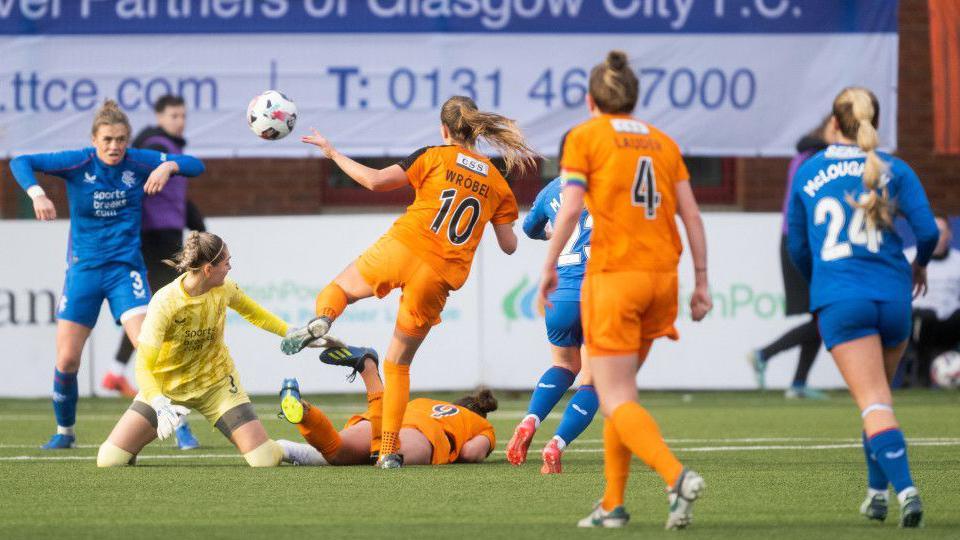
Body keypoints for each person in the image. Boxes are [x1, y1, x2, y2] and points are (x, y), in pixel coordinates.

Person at [283, 95, 537, 469]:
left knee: (337, 290)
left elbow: (374, 181)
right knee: (398, 364)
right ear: (477, 131)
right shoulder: (498, 182)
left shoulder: (432, 155)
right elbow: (509, 246)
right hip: (439, 275)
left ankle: (325, 318)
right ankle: (388, 451)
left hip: (404, 245)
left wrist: (333, 153)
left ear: (444, 129)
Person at [537, 51, 712, 530]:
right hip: (662, 278)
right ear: (634, 98)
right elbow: (691, 216)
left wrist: (549, 266)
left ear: (591, 100)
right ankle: (612, 504)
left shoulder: (585, 136)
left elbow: (570, 209)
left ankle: (676, 477)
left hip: (615, 277)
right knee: (622, 395)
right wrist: (701, 281)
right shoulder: (662, 141)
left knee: (613, 396)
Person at [8, 100, 205, 450]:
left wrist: (168, 166)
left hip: (124, 271)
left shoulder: (138, 161)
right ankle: (65, 432)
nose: (114, 147)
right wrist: (36, 193)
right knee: (67, 360)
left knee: (150, 349)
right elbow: (20, 161)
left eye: (120, 139)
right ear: (94, 139)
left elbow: (197, 166)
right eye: (107, 140)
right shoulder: (78, 162)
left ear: (128, 140)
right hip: (83, 271)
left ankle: (180, 426)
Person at [786, 87, 938, 527]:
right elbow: (927, 231)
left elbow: (797, 246)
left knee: (873, 402)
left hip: (841, 298)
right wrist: (920, 265)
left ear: (834, 123)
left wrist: (821, 282)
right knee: (880, 400)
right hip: (893, 298)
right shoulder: (895, 168)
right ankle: (876, 495)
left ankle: (907, 490)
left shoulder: (808, 170)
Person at [96, 232, 291, 468]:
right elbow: (143, 366)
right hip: (168, 390)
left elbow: (255, 314)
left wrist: (291, 332)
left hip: (216, 385)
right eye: (226, 262)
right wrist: (159, 403)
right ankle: (131, 448)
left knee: (264, 459)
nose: (230, 267)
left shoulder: (225, 288)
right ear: (208, 269)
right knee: (110, 460)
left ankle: (294, 451)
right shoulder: (165, 302)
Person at [108, 94, 207, 450]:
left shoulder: (169, 148)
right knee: (168, 321)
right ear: (159, 117)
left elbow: (180, 199)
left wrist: (196, 224)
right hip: (155, 240)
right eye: (173, 114)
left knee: (156, 315)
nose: (180, 120)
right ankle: (177, 422)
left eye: (183, 114)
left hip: (167, 238)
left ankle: (117, 372)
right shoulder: (156, 145)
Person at [505, 176, 598, 474]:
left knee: (563, 365)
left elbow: (530, 228)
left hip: (561, 294)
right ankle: (556, 443)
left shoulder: (550, 189)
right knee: (593, 381)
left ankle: (530, 419)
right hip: (600, 294)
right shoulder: (611, 183)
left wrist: (550, 233)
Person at [276, 347, 496, 466]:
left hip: (386, 416)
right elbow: (469, 452)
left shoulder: (426, 402)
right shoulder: (481, 425)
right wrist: (484, 448)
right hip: (423, 434)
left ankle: (305, 412)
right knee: (385, 461)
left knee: (337, 451)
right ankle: (368, 371)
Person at [749, 116, 838, 399]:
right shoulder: (815, 159)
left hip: (801, 241)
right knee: (824, 316)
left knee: (820, 316)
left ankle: (798, 383)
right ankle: (765, 354)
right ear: (830, 127)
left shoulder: (805, 155)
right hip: (801, 243)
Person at [905, 216, 960, 386]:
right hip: (918, 322)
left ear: (949, 235)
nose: (935, 237)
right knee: (925, 317)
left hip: (949, 322)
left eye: (940, 232)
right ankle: (920, 378)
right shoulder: (908, 258)